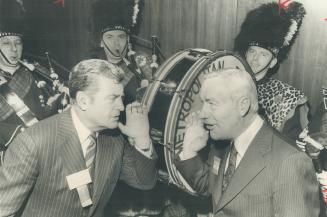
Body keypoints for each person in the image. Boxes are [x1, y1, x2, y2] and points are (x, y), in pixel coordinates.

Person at [0, 59, 157, 217]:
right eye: (112, 98)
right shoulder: (34, 142)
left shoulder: (113, 138)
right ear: (83, 101)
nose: (121, 107)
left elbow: (144, 182)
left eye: (121, 98)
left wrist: (142, 138)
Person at [175, 68, 321, 217]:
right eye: (203, 103)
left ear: (242, 106)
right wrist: (189, 152)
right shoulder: (223, 144)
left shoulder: (290, 161)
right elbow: (216, 191)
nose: (203, 114)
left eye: (211, 103)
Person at [0, 0, 67, 155]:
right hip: (9, 157)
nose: (14, 48)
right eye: (5, 43)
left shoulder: (37, 72)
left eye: (18, 42)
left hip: (50, 149)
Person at [234, 1, 308, 141]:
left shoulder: (288, 98)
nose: (255, 59)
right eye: (252, 51)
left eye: (263, 54)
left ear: (273, 61)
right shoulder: (229, 82)